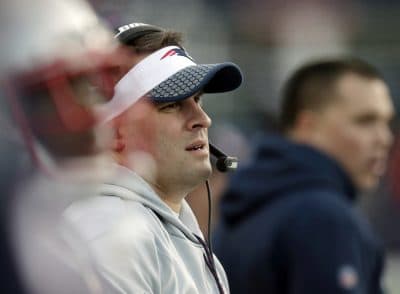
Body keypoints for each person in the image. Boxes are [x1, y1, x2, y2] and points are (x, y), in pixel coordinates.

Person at [64, 22, 243, 294]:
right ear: (114, 133)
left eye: (198, 100)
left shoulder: (175, 235)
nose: (202, 120)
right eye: (171, 105)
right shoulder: (111, 231)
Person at [213, 58, 394, 294]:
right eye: (365, 121)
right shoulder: (323, 217)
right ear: (307, 125)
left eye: (387, 122)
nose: (384, 138)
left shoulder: (245, 206)